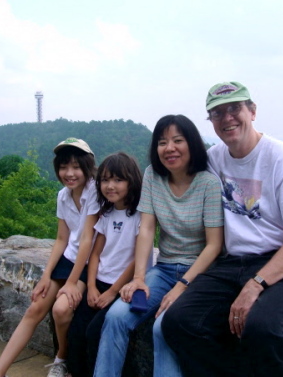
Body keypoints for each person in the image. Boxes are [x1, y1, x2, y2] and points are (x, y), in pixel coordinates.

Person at [162, 81, 283, 377]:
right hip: (231, 262)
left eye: (235, 109)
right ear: (210, 121)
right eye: (217, 113)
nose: (227, 118)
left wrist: (256, 284)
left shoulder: (281, 158)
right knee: (179, 322)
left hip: (282, 261)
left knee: (262, 331)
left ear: (252, 111)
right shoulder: (214, 159)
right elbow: (176, 176)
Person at [93, 114, 224, 377]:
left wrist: (182, 285)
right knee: (117, 316)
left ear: (192, 144)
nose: (169, 148)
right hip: (163, 269)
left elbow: (214, 245)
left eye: (178, 140)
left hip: (199, 275)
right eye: (162, 142)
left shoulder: (208, 183)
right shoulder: (153, 176)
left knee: (163, 327)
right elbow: (147, 230)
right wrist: (139, 278)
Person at [0, 138, 99, 377]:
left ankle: (62, 357)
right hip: (69, 258)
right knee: (35, 307)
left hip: (89, 263)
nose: (69, 173)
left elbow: (88, 241)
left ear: (87, 166)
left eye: (75, 166)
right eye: (63, 167)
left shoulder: (96, 192)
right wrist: (46, 275)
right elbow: (62, 238)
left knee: (61, 309)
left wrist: (71, 282)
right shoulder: (63, 195)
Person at [66, 152, 144, 377]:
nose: (110, 186)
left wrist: (112, 292)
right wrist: (90, 286)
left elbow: (136, 260)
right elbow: (96, 253)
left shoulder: (140, 216)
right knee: (76, 330)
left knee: (94, 332)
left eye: (118, 180)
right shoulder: (106, 214)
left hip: (122, 288)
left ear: (132, 181)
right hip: (99, 282)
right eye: (106, 180)